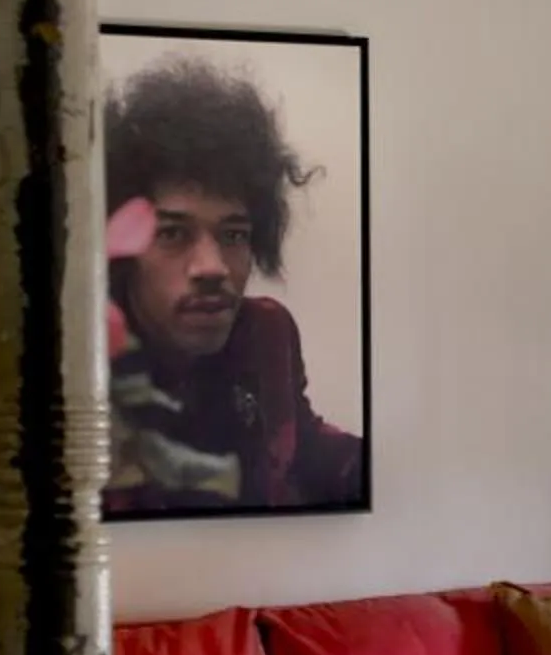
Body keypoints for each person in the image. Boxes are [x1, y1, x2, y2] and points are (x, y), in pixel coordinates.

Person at [103, 59, 364, 512]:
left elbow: (304, 448)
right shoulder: (71, 366)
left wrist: (419, 465)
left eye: (234, 235)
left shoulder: (266, 332)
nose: (213, 267)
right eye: (172, 233)